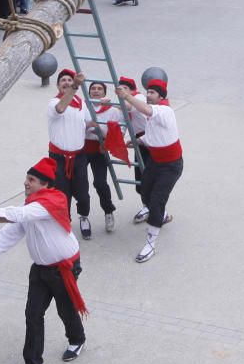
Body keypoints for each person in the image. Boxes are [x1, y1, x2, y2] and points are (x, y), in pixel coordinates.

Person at [0, 157, 87, 364]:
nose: (25, 183)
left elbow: (19, 215)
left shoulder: (52, 201)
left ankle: (77, 339)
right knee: (33, 314)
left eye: (31, 180)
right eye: (26, 178)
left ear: (45, 185)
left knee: (65, 310)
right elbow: (10, 232)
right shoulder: (33, 205)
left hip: (64, 269)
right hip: (41, 270)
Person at [115, 79, 182, 263]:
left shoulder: (164, 110)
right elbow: (153, 131)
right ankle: (162, 215)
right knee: (144, 190)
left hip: (170, 166)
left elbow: (147, 110)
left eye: (152, 92)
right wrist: (138, 141)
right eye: (148, 92)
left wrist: (127, 95)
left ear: (161, 97)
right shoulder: (154, 116)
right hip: (156, 162)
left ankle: (150, 243)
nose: (148, 95)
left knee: (157, 199)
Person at [75, 81, 124, 238]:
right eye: (93, 89)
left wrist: (100, 131)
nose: (96, 91)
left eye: (99, 89)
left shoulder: (113, 111)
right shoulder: (82, 106)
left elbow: (118, 133)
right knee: (81, 184)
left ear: (104, 93)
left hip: (99, 149)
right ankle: (83, 216)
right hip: (81, 149)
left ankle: (108, 211)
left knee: (100, 183)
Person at [47, 69, 88, 209]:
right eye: (63, 80)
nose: (67, 83)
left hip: (79, 157)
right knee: (62, 194)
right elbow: (60, 109)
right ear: (58, 86)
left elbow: (85, 123)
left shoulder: (81, 103)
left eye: (69, 80)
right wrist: (75, 86)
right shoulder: (54, 102)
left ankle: (84, 216)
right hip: (58, 158)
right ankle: (65, 224)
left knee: (83, 194)